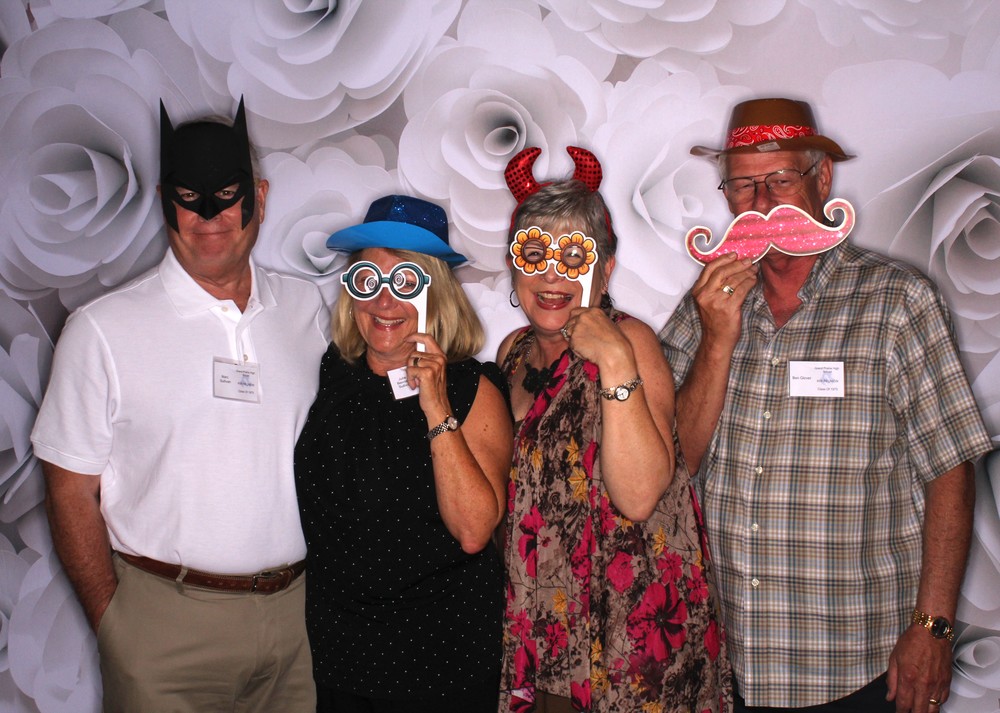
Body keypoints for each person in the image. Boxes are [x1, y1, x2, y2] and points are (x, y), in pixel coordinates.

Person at [659, 97, 993, 713]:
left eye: (781, 180)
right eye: (742, 186)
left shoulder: (897, 301)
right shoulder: (705, 306)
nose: (762, 203)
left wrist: (934, 627)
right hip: (725, 663)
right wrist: (716, 341)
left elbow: (950, 469)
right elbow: (673, 462)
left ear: (823, 179)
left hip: (855, 662)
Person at [30, 100, 329, 712]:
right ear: (165, 201)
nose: (208, 216)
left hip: (295, 622)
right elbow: (69, 490)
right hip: (164, 627)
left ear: (259, 197)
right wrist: (116, 624)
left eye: (227, 195)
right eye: (188, 198)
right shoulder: (101, 329)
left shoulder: (307, 311)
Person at [496, 146, 732, 712]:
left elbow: (641, 495)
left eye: (574, 255)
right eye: (535, 253)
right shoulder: (512, 354)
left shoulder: (632, 343)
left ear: (605, 270)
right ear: (514, 264)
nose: (551, 275)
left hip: (631, 637)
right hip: (544, 628)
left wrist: (616, 361)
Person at [294, 194, 513, 712]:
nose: (384, 301)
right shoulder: (331, 374)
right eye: (368, 280)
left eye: (406, 281)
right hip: (342, 656)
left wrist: (435, 405)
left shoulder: (471, 388)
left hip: (441, 663)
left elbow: (474, 531)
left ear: (437, 294)